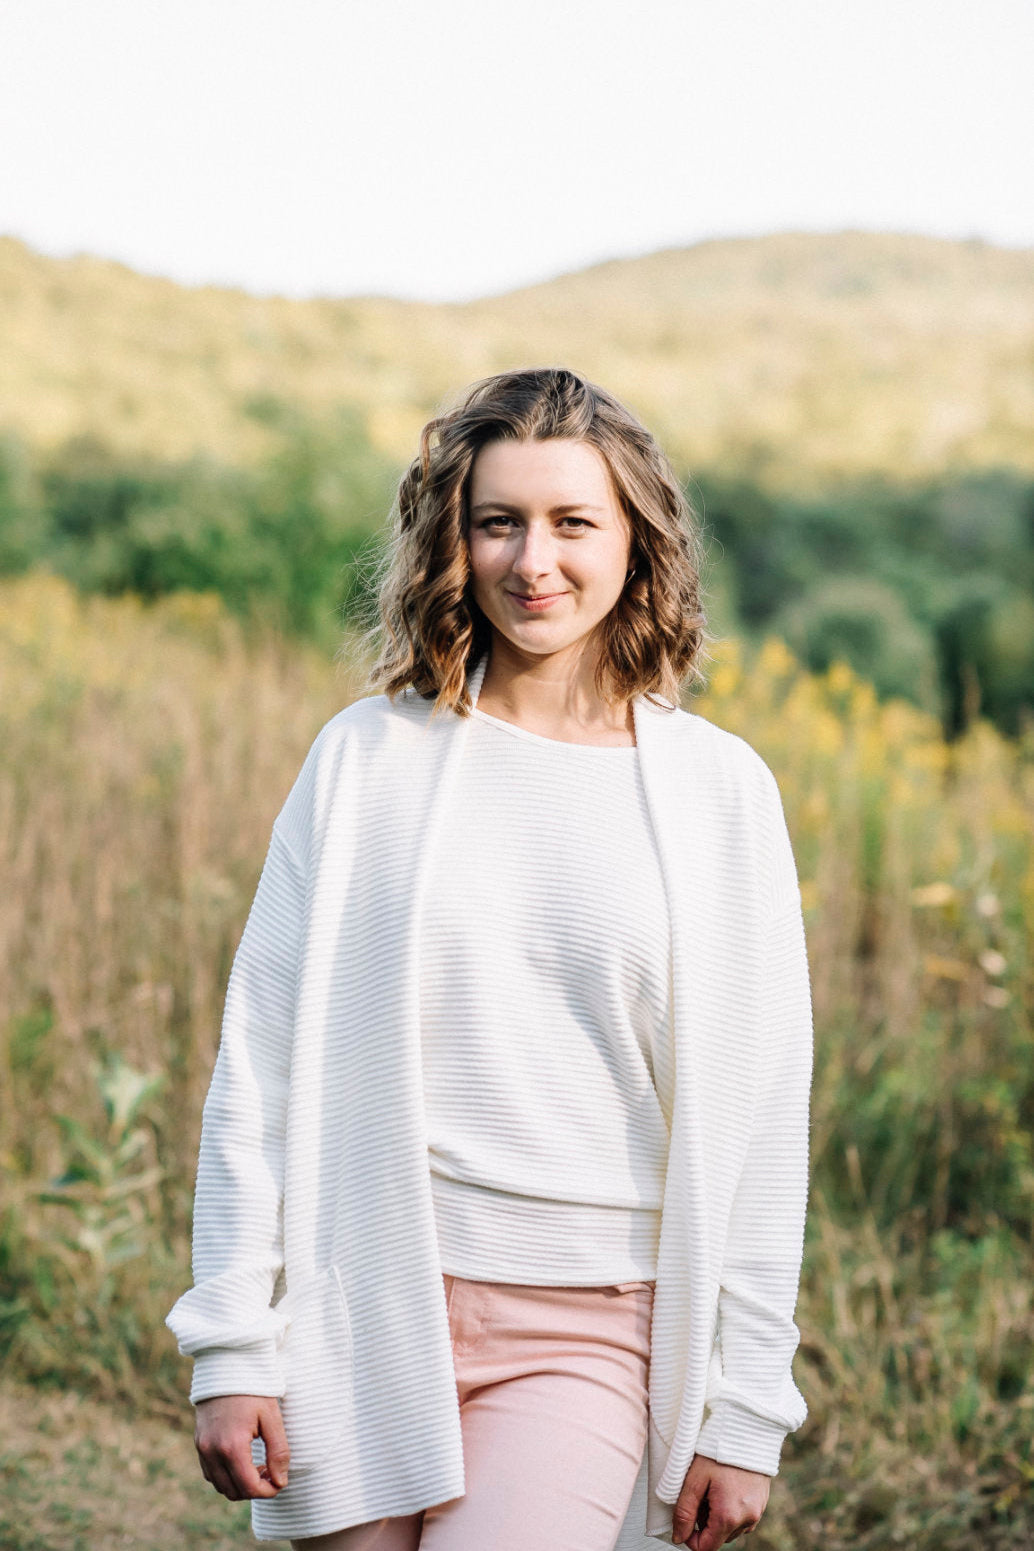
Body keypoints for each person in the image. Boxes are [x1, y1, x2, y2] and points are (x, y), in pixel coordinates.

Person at [167, 367, 814, 1551]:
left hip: (589, 1332)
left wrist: (747, 1406)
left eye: (573, 522)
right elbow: (259, 1061)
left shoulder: (719, 793)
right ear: (451, 542)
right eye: (497, 521)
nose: (532, 561)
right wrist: (231, 1342)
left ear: (635, 541)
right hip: (359, 1296)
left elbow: (765, 1119)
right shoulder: (365, 758)